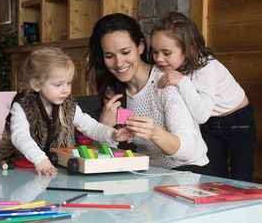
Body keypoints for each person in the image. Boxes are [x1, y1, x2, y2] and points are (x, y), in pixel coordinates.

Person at [87, 13, 209, 173]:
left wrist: (154, 133)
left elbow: (188, 152)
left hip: (188, 172)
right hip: (146, 174)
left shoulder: (165, 85)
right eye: (109, 56)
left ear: (141, 47)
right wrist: (103, 128)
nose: (118, 63)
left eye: (125, 52)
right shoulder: (114, 92)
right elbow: (105, 157)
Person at [149, 12, 256, 181]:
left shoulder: (206, 67)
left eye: (166, 53)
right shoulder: (171, 66)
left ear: (188, 49)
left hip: (237, 120)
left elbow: (201, 115)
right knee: (215, 176)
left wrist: (182, 82)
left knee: (241, 176)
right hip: (210, 123)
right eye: (155, 52)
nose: (159, 59)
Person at [0, 47, 130, 175]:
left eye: (69, 83)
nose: (66, 90)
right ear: (36, 84)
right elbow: (20, 136)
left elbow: (90, 126)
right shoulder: (22, 105)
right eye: (58, 84)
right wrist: (40, 160)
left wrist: (112, 134)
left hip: (53, 167)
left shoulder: (68, 104)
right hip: (16, 168)